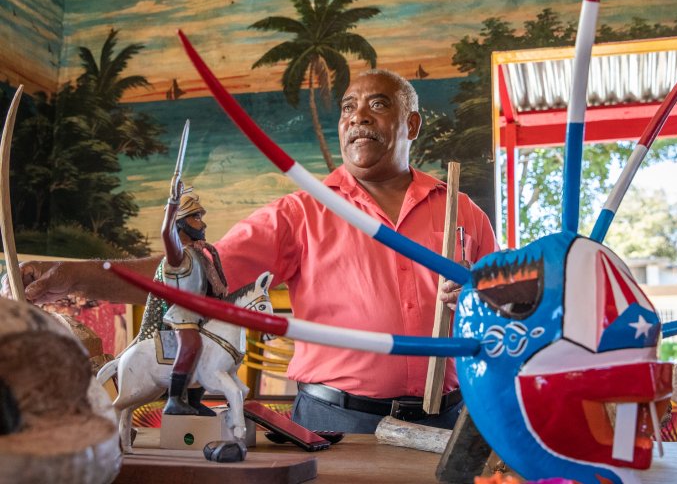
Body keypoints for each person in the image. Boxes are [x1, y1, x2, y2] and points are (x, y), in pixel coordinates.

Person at [9, 69, 498, 433]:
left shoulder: (463, 211)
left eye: (378, 104)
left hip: (449, 419)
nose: (358, 117)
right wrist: (75, 275)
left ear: (411, 123)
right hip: (336, 421)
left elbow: (503, 314)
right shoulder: (300, 212)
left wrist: (480, 296)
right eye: (348, 107)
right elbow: (191, 274)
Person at [156, 183, 228, 416]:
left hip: (201, 314)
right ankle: (174, 399)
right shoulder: (177, 255)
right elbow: (166, 232)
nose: (203, 223)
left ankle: (195, 399)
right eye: (196, 217)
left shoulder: (200, 253)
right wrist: (172, 204)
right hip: (184, 314)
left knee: (212, 349)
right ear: (182, 222)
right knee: (192, 345)